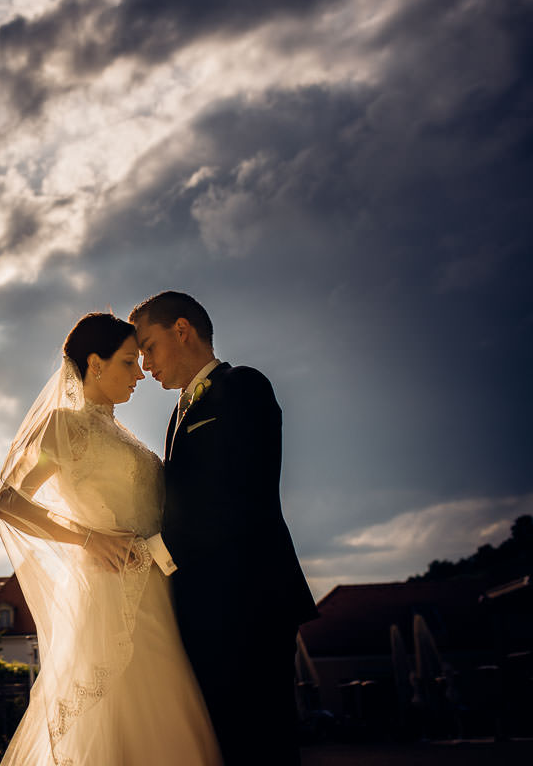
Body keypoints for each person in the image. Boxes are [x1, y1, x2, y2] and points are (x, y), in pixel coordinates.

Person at [0, 312, 221, 765]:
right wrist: (87, 538)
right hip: (112, 595)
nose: (140, 373)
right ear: (94, 364)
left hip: (160, 591)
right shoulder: (62, 425)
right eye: (128, 362)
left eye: (140, 361)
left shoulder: (124, 434)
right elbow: (8, 502)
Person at [131, 291, 318, 766]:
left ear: (181, 330)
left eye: (148, 346)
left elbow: (228, 498)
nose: (145, 364)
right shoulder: (177, 414)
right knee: (225, 743)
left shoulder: (243, 387)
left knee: (262, 740)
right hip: (203, 608)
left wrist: (145, 553)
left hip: (250, 600)